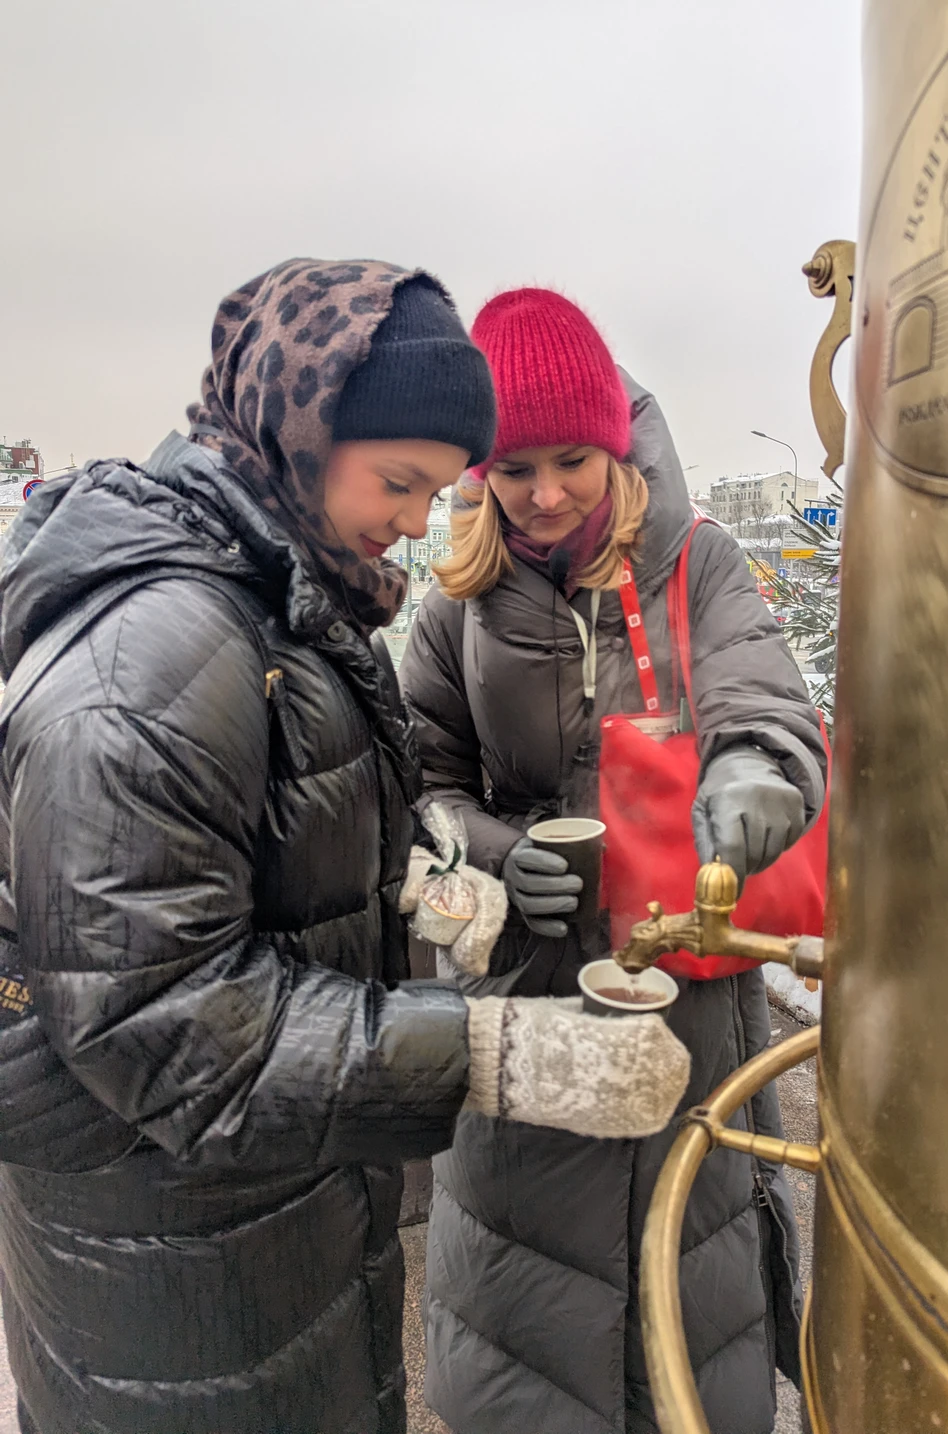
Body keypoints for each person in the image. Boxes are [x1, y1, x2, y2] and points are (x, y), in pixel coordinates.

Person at [0, 261, 691, 1434]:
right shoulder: (157, 654)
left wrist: (417, 885)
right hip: (171, 1267)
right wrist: (483, 1051)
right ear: (297, 427)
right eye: (402, 482)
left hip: (265, 1210)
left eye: (438, 492)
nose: (421, 521)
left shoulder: (280, 602)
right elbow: (158, 1022)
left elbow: (252, 859)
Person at [401, 288, 828, 1434]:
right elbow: (418, 788)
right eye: (515, 467)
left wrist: (756, 775)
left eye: (573, 460)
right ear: (480, 472)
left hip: (690, 998)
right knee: (526, 1339)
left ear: (618, 445)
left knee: (694, 1316)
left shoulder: (700, 563)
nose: (544, 495)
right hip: (529, 1020)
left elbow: (766, 700)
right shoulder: (456, 604)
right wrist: (497, 857)